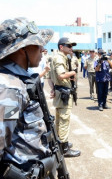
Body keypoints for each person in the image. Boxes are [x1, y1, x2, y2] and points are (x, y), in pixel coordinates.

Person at [0, 17, 65, 177]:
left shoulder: (17, 81)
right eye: (37, 44)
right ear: (22, 49)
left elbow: (11, 126)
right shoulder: (11, 87)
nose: (43, 49)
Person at [50, 37, 81, 157]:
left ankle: (59, 142)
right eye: (69, 46)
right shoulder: (59, 57)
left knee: (60, 119)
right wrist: (73, 73)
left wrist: (53, 88)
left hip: (60, 91)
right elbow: (61, 75)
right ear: (61, 47)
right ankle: (64, 148)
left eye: (72, 46)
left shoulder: (60, 57)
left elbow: (51, 76)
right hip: (63, 93)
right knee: (64, 120)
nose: (71, 48)